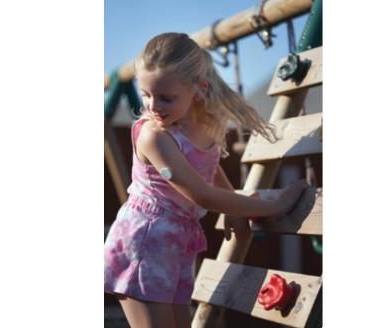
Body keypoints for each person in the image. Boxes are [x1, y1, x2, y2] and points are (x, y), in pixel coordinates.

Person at [104, 32, 307, 328]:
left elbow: (209, 167)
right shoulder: (155, 136)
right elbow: (202, 195)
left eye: (166, 97)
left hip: (176, 242)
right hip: (144, 243)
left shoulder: (203, 126)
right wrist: (272, 206)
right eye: (146, 94)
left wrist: (232, 207)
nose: (152, 106)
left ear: (197, 89)